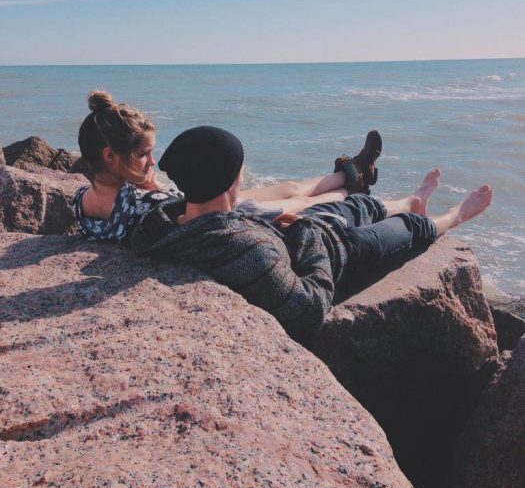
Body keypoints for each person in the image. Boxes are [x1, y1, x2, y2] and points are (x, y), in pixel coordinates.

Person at [130, 126, 493, 340]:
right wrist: (309, 238)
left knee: (354, 205)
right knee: (407, 230)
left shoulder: (163, 222)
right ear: (230, 182)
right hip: (339, 255)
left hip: (298, 235)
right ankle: (454, 216)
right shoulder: (246, 251)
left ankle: (412, 199)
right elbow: (310, 309)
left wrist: (287, 227)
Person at [74, 90, 382, 242]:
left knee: (289, 188)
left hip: (205, 198)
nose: (152, 162)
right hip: (216, 213)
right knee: (300, 200)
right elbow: (179, 224)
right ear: (110, 156)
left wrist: (147, 184)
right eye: (144, 155)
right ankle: (354, 191)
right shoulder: (134, 203)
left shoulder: (84, 201)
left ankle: (352, 173)